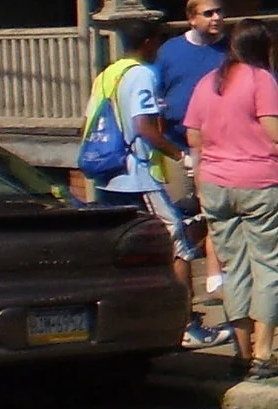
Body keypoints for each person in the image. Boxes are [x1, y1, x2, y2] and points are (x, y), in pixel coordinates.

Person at [85, 17, 227, 349]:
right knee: (179, 243)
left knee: (127, 250)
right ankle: (184, 324)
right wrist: (181, 156)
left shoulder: (109, 73)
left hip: (108, 175)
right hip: (136, 176)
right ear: (149, 43)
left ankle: (129, 322)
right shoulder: (143, 74)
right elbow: (144, 127)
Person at [185, 19, 278, 376]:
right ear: (264, 49)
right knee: (271, 267)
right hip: (261, 184)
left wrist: (200, 184)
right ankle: (264, 352)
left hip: (214, 184)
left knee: (235, 269)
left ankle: (241, 352)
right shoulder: (261, 80)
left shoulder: (207, 82)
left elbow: (194, 138)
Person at [155, 0, 228, 295]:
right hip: (176, 146)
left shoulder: (228, 50)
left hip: (217, 145)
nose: (216, 18)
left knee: (216, 209)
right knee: (178, 215)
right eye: (209, 13)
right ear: (192, 18)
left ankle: (215, 273)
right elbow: (157, 100)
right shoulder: (170, 52)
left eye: (219, 12)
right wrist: (163, 146)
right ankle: (181, 279)